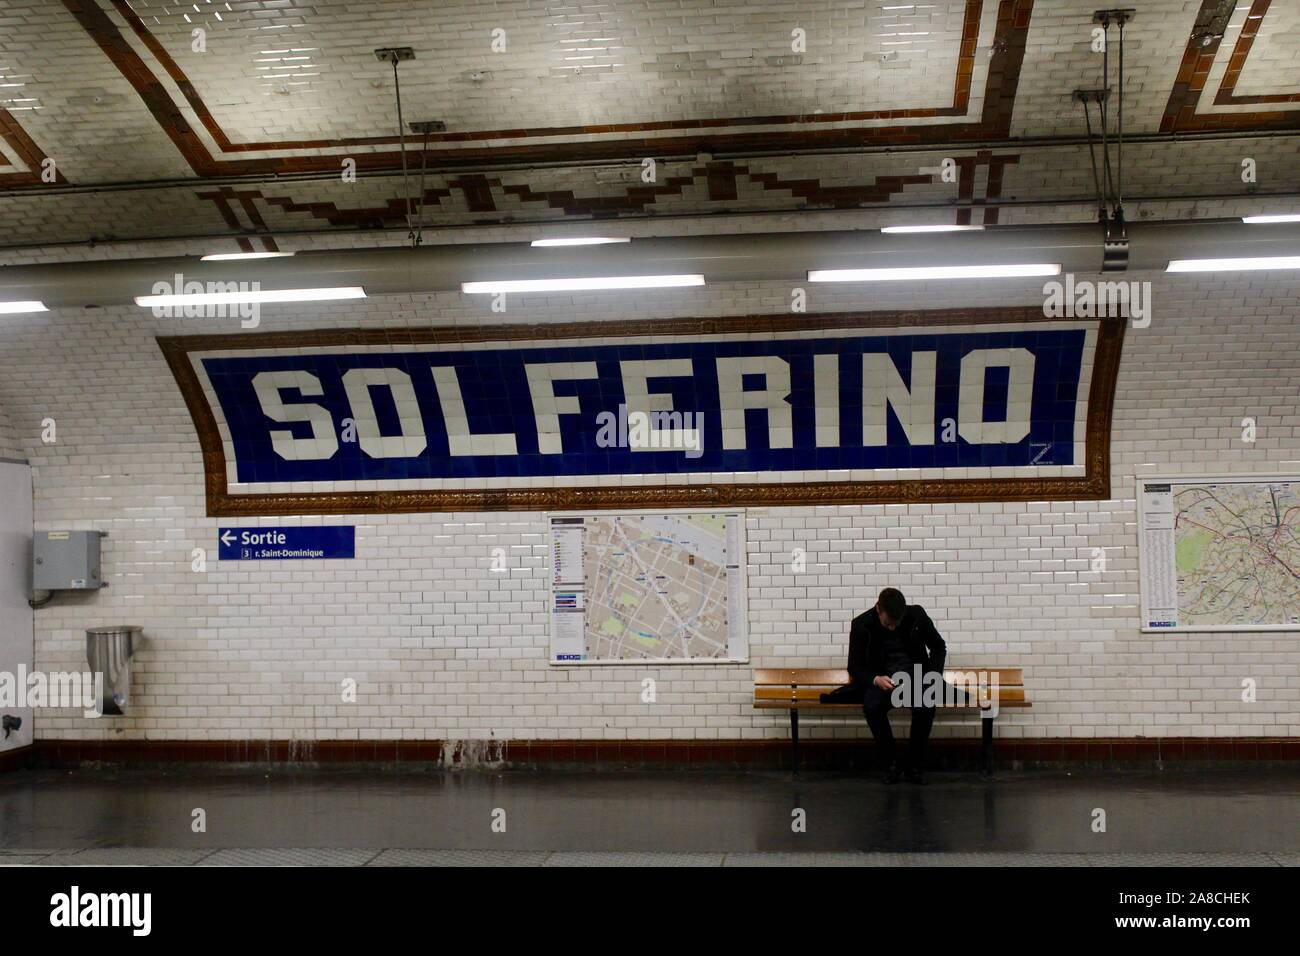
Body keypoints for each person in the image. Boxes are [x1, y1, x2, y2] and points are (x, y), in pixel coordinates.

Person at [847, 587, 946, 785]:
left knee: (925, 707)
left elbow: (938, 647)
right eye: (888, 623)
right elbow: (855, 666)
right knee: (872, 707)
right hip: (884, 681)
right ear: (878, 609)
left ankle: (914, 766)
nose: (892, 627)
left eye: (896, 623)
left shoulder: (916, 615)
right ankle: (891, 763)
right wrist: (875, 679)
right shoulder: (861, 625)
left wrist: (932, 677)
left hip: (917, 678)